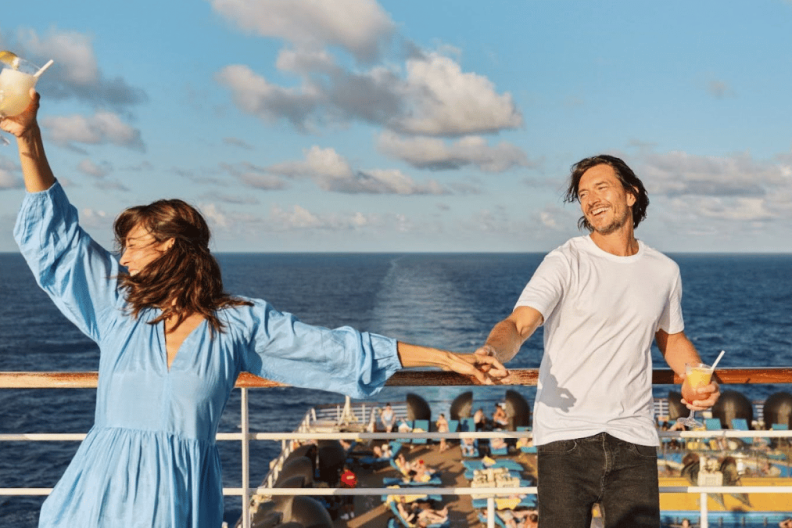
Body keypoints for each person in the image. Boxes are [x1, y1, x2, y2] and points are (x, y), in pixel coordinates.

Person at [1, 92, 509, 528]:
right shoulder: (118, 308)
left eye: (133, 245)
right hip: (100, 491)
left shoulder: (236, 324)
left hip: (178, 495)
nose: (124, 258)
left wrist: (447, 358)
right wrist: (29, 136)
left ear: (170, 247)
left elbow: (334, 349)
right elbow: (59, 236)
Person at [474, 155, 720, 527]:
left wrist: (696, 378)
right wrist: (493, 350)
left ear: (631, 195)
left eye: (601, 188)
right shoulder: (565, 260)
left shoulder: (664, 270)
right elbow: (519, 324)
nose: (590, 200)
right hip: (566, 437)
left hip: (634, 437)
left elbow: (671, 338)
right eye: (583, 194)